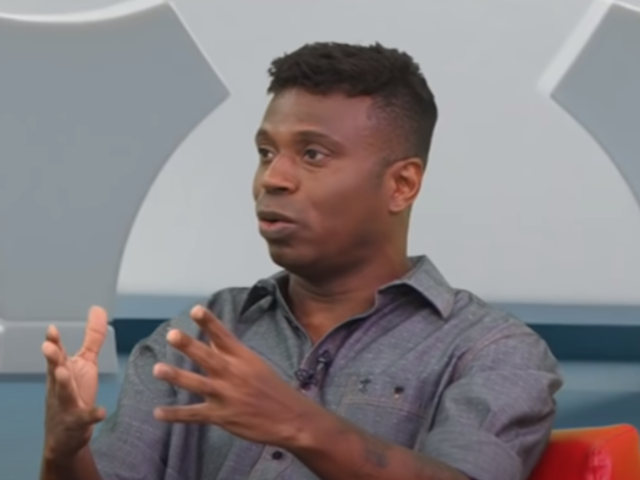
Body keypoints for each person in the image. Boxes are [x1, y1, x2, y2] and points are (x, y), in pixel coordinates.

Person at [40, 42, 562, 480]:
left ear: (402, 184)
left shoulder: (489, 351)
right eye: (267, 152)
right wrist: (62, 455)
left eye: (313, 154)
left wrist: (299, 424)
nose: (273, 178)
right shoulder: (199, 335)